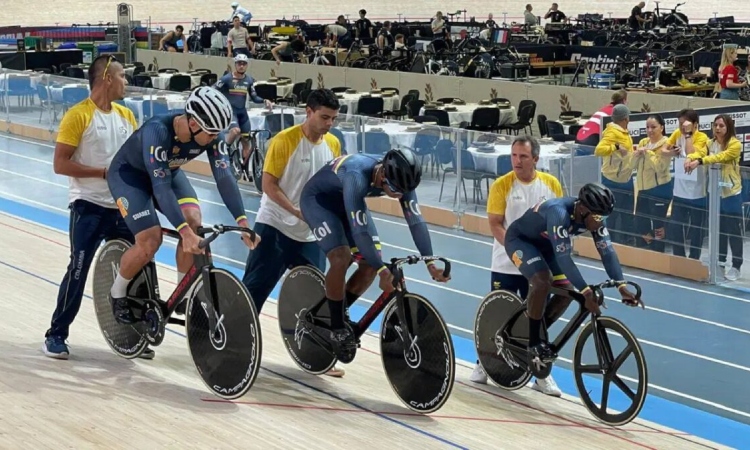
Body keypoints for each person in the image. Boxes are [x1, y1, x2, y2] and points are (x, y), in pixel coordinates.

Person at [106, 86, 260, 324]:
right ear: (193, 124)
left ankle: (183, 295)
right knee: (150, 239)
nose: (214, 139)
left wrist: (242, 220)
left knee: (194, 221)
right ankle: (117, 293)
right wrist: (183, 232)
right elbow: (160, 187)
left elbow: (225, 177)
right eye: (210, 133)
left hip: (167, 172)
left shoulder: (211, 133)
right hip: (131, 177)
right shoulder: (157, 131)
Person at [299, 149, 451, 361]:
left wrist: (430, 263)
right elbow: (360, 231)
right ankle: (335, 327)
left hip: (347, 202)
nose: (399, 195)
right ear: (382, 175)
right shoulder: (357, 175)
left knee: (370, 265)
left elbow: (416, 221)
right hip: (319, 202)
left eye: (403, 192)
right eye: (395, 190)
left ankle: (340, 310)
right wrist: (383, 271)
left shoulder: (401, 181)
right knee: (341, 257)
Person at [42, 55, 141, 360]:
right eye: (122, 75)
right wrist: (101, 173)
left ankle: (138, 333)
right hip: (89, 206)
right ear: (106, 79)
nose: (127, 81)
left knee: (141, 263)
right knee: (78, 269)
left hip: (121, 207)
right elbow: (60, 164)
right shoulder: (78, 115)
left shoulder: (127, 116)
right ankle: (56, 334)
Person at [241, 89, 345, 376]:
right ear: (308, 112)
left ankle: (320, 355)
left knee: (318, 298)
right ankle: (236, 344)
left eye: (333, 119)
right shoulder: (284, 141)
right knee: (254, 290)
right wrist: (297, 211)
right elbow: (268, 185)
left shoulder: (334, 144)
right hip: (274, 225)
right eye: (324, 117)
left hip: (309, 234)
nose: (329, 124)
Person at [504, 183, 641, 377]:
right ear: (583, 209)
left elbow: (607, 251)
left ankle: (536, 329)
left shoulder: (594, 217)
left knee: (566, 292)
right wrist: (586, 291)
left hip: (547, 245)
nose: (601, 222)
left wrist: (621, 285)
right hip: (521, 241)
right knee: (543, 281)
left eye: (605, 218)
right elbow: (564, 258)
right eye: (598, 218)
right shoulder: (557, 212)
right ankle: (534, 342)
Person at [470, 136, 564, 397]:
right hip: (506, 262)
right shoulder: (502, 185)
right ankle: (483, 363)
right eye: (513, 156)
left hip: (538, 265)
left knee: (539, 315)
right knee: (499, 314)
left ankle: (540, 373)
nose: (517, 161)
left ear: (535, 159)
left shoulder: (551, 184)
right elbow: (495, 224)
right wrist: (515, 253)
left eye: (523, 156)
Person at [214, 54, 273, 168]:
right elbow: (213, 89)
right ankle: (224, 152)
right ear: (235, 64)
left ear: (246, 65)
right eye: (239, 63)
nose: (241, 66)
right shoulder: (227, 78)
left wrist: (265, 100)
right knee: (235, 131)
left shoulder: (249, 80)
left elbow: (254, 97)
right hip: (231, 112)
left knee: (247, 141)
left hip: (242, 113)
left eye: (244, 64)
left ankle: (244, 167)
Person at [594, 104, 635, 246]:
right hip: (613, 180)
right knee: (612, 215)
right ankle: (610, 243)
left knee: (627, 214)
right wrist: (616, 147)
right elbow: (598, 150)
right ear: (625, 118)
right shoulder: (612, 132)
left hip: (626, 179)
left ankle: (626, 243)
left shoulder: (624, 132)